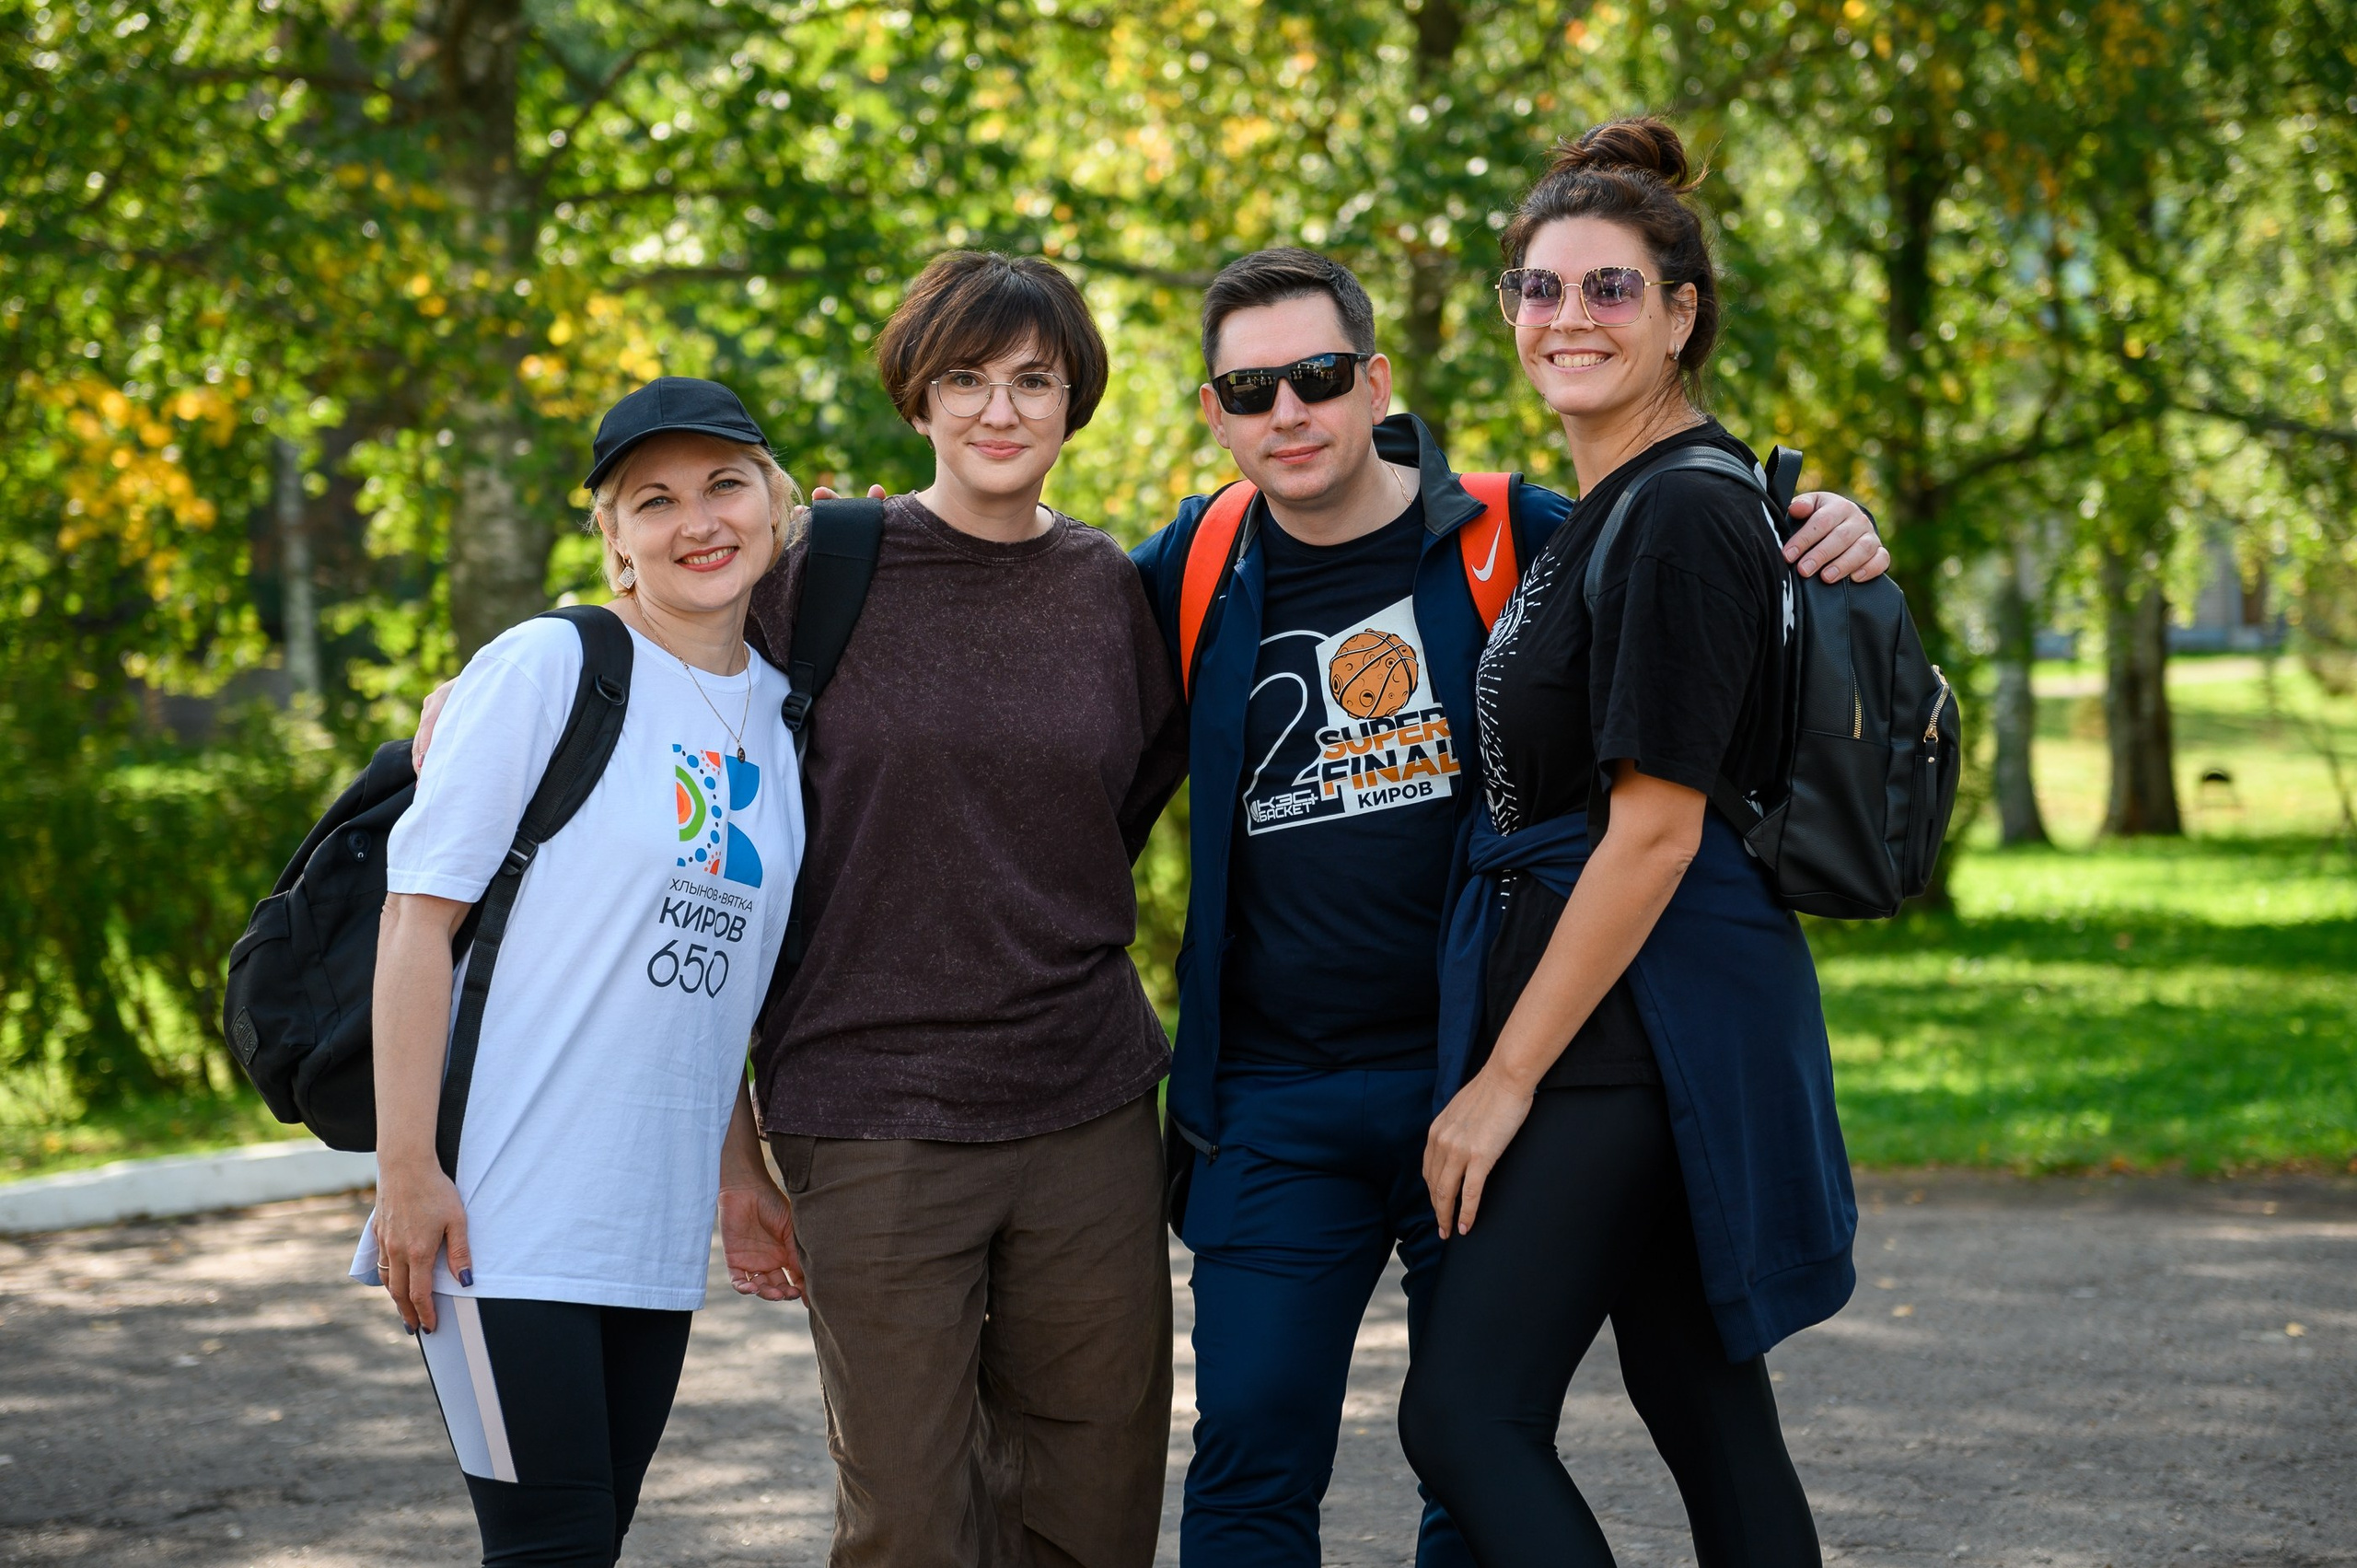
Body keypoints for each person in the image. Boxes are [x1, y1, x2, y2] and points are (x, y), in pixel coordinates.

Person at [1129, 249, 1886, 1567]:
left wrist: (1828, 523)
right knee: (1247, 1448)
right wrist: (857, 545)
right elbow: (1021, 634)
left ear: (1374, 384)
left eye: (1315, 377)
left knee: (1471, 1459)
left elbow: (1682, 539)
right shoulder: (1188, 568)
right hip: (1271, 1094)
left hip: (1480, 1074)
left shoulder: (1512, 531)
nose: (1286, 413)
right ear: (1215, 412)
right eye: (1250, 390)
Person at [1397, 120, 1856, 1566]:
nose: (1568, 318)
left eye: (1609, 289)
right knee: (1707, 1413)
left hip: (1630, 1029)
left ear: (1680, 313)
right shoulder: (1635, 504)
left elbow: (1652, 835)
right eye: (1540, 289)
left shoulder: (1671, 514)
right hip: (1646, 1011)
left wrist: (1502, 1082)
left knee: (1466, 1416)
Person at [713, 251, 1188, 1568]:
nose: (999, 409)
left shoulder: (1108, 590)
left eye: (1033, 380)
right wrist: (487, 693)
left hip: (1087, 1107)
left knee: (1094, 1505)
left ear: (1073, 402)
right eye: (964, 379)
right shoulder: (819, 567)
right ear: (915, 403)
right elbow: (661, 704)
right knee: (913, 1519)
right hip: (869, 1115)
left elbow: (1115, 818)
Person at [360, 377, 807, 1566]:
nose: (697, 520)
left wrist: (740, 1172)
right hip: (497, 1217)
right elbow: (416, 924)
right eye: (651, 500)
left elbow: (697, 979)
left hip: (645, 1223)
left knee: (590, 1540)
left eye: (724, 483)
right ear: (612, 540)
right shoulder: (550, 665)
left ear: (775, 500)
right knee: (550, 1548)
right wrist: (407, 1176)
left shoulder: (779, 714)